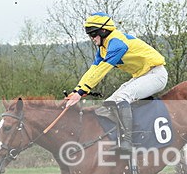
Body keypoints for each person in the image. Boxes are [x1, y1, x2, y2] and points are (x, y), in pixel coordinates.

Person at [63, 12, 168, 153]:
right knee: (109, 103)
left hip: (156, 75)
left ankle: (128, 141)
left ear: (103, 31)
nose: (92, 38)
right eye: (90, 35)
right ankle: (118, 139)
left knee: (122, 97)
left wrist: (82, 92)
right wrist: (77, 90)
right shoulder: (103, 48)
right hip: (142, 76)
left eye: (93, 34)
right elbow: (93, 70)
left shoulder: (117, 43)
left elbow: (103, 69)